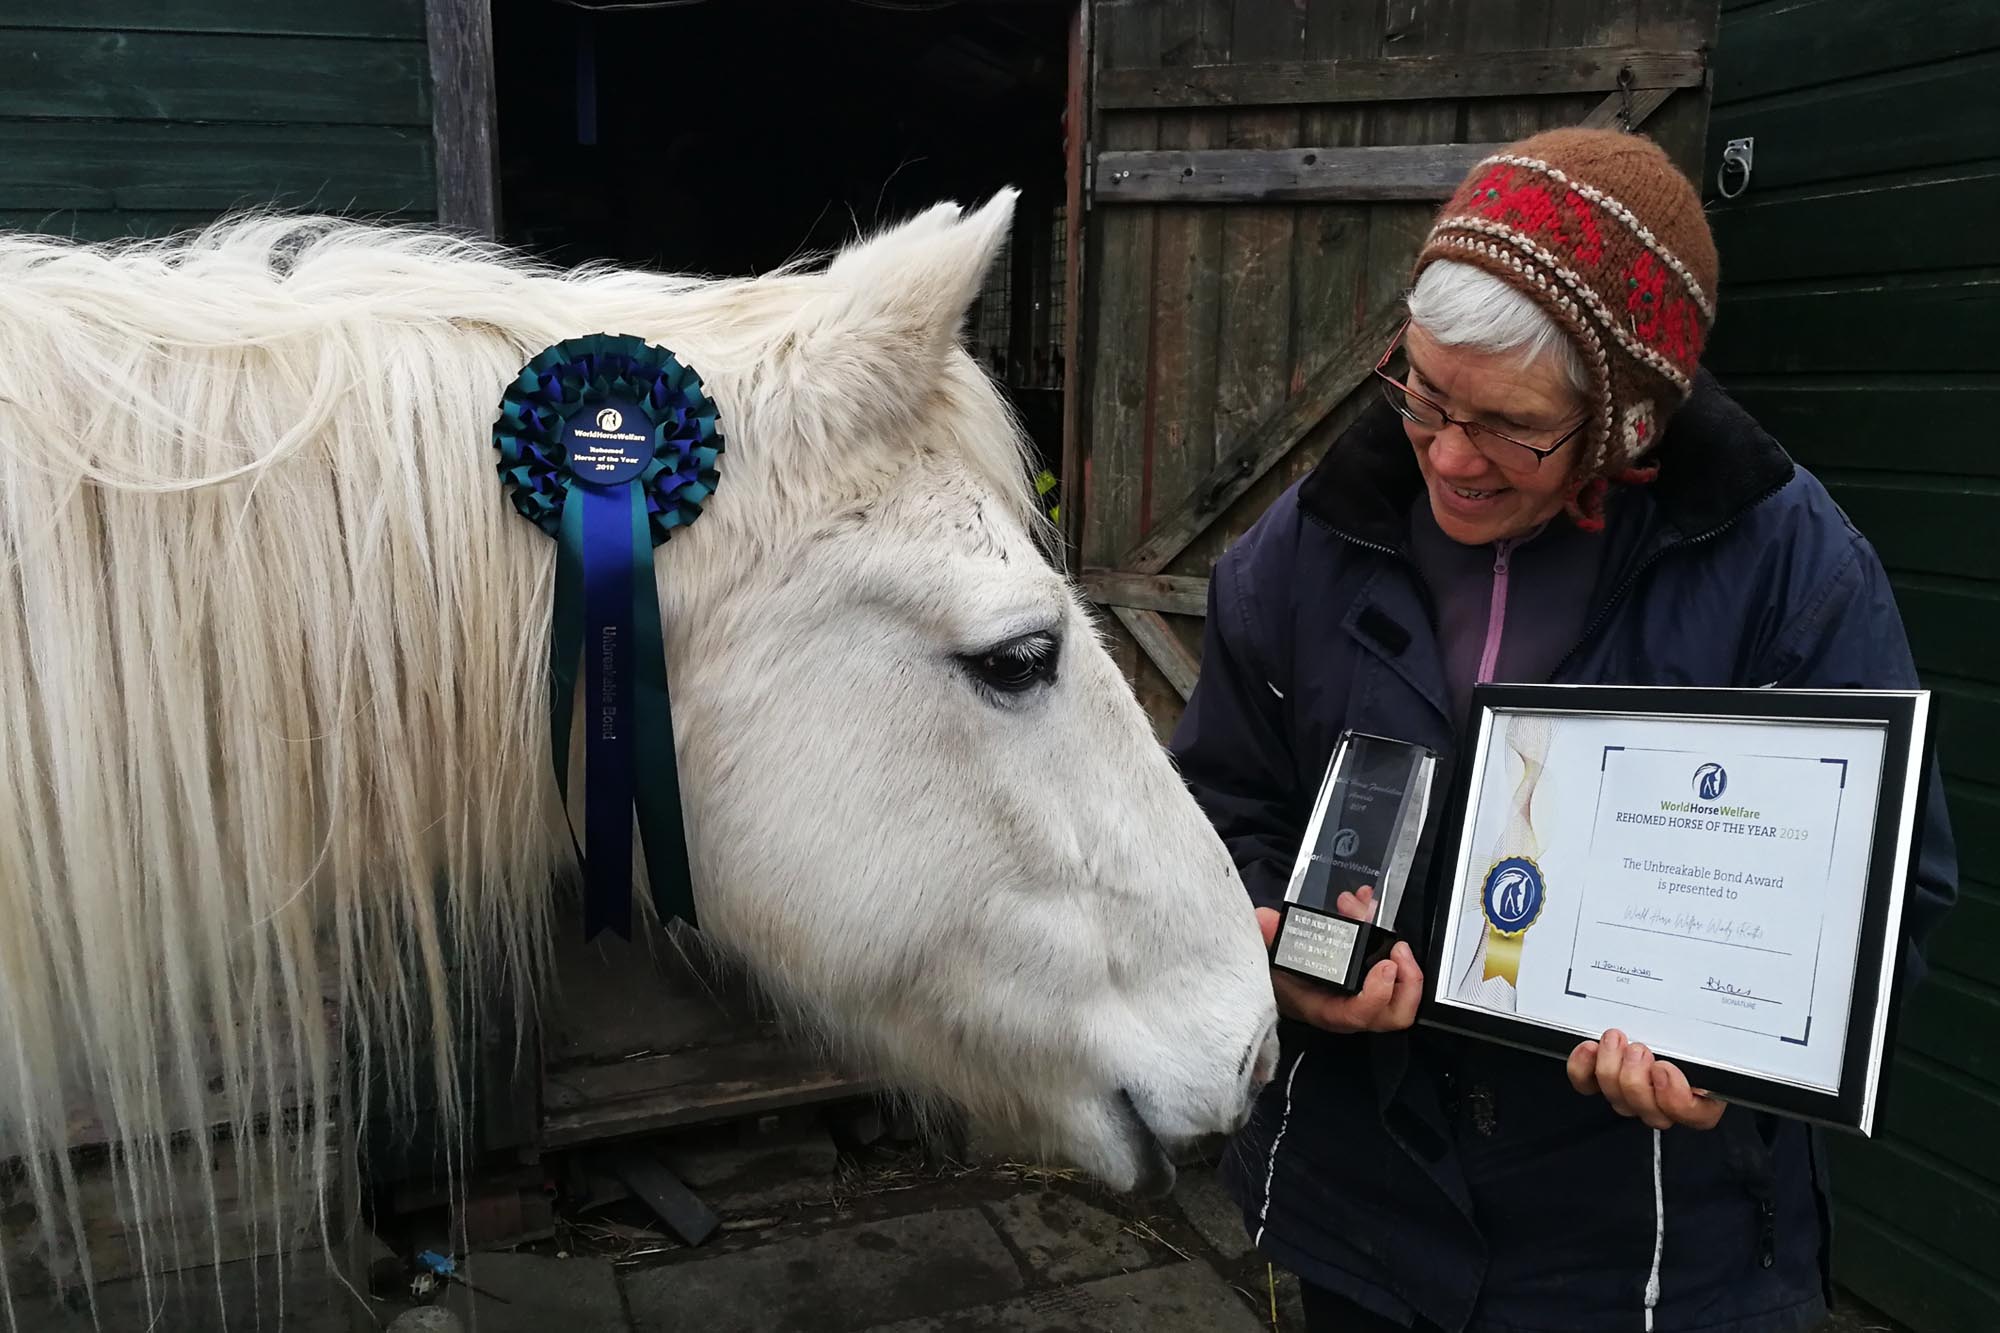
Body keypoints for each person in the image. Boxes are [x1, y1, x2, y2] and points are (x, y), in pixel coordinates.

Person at [1170, 128, 1958, 1333]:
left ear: (1625, 420)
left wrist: (1732, 1067)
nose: (1443, 452)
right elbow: (1222, 806)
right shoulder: (1299, 553)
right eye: (1421, 392)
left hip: (1646, 1252)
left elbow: (1891, 890)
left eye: (1505, 425)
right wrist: (1279, 951)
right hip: (1365, 1214)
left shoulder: (1787, 570)